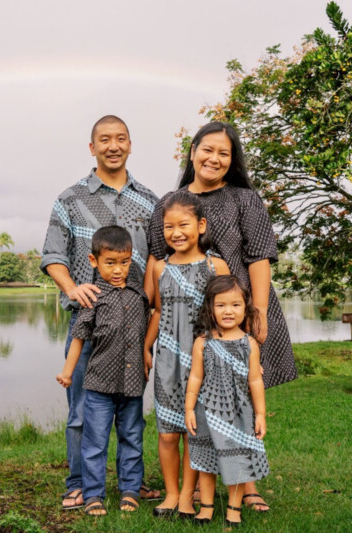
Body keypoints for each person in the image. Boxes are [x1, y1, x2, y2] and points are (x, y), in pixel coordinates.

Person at [147, 121, 296, 512]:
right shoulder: (169, 202)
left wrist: (256, 313)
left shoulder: (245, 200)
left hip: (236, 313)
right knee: (204, 401)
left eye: (224, 153)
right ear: (192, 151)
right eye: (207, 149)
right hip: (185, 324)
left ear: (232, 161)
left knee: (240, 400)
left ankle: (246, 487)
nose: (214, 158)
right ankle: (200, 483)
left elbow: (259, 257)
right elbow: (155, 261)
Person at [41, 115, 160, 510]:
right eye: (104, 139)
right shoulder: (70, 199)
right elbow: (53, 256)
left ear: (130, 144)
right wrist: (72, 288)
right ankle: (77, 483)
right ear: (92, 147)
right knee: (81, 414)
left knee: (131, 414)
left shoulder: (150, 201)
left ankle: (133, 482)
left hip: (135, 327)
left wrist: (147, 319)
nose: (113, 145)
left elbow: (159, 260)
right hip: (89, 323)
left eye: (120, 138)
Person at [143, 191, 228, 518]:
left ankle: (188, 498)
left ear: (201, 225)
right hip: (167, 360)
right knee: (167, 434)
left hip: (202, 363)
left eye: (184, 225)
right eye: (168, 227)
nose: (176, 233)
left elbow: (226, 313)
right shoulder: (160, 268)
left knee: (195, 431)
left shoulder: (215, 266)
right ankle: (171, 493)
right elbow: (158, 312)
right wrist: (145, 347)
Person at [56, 226, 150, 516]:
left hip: (132, 385)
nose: (119, 269)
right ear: (94, 261)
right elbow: (79, 338)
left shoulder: (138, 296)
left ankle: (131, 490)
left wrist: (147, 352)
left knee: (132, 437)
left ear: (131, 259)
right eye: (110, 263)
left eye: (124, 262)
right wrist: (68, 372)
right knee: (95, 441)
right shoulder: (91, 298)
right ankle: (93, 493)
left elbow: (150, 324)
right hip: (98, 385)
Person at [185, 275, 269, 526]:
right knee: (206, 461)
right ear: (210, 308)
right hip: (207, 412)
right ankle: (206, 508)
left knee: (239, 461)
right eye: (220, 305)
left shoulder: (249, 344)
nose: (228, 311)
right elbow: (195, 377)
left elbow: (255, 381)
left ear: (245, 308)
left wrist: (261, 414)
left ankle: (234, 510)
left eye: (235, 305)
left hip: (239, 414)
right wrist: (189, 408)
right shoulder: (203, 342)